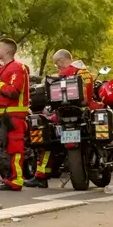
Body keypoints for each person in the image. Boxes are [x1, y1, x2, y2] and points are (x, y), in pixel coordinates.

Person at [25, 48, 90, 188]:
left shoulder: (64, 74)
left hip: (64, 114)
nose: (57, 66)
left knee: (47, 141)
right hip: (84, 114)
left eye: (56, 63)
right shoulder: (85, 71)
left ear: (61, 60)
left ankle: (41, 177)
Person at [0, 38, 30, 191]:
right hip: (3, 117)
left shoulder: (17, 68)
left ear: (7, 51)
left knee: (14, 149)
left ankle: (16, 180)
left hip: (13, 117)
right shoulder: (1, 70)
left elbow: (13, 92)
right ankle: (9, 178)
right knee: (1, 149)